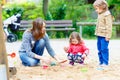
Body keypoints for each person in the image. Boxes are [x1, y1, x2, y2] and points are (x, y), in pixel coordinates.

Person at [93, 0, 113, 66]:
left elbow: (109, 26)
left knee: (104, 49)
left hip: (104, 35)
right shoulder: (100, 14)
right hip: (99, 34)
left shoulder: (107, 15)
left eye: (96, 8)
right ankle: (101, 62)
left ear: (102, 7)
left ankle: (105, 62)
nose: (96, 10)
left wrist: (108, 36)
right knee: (99, 49)